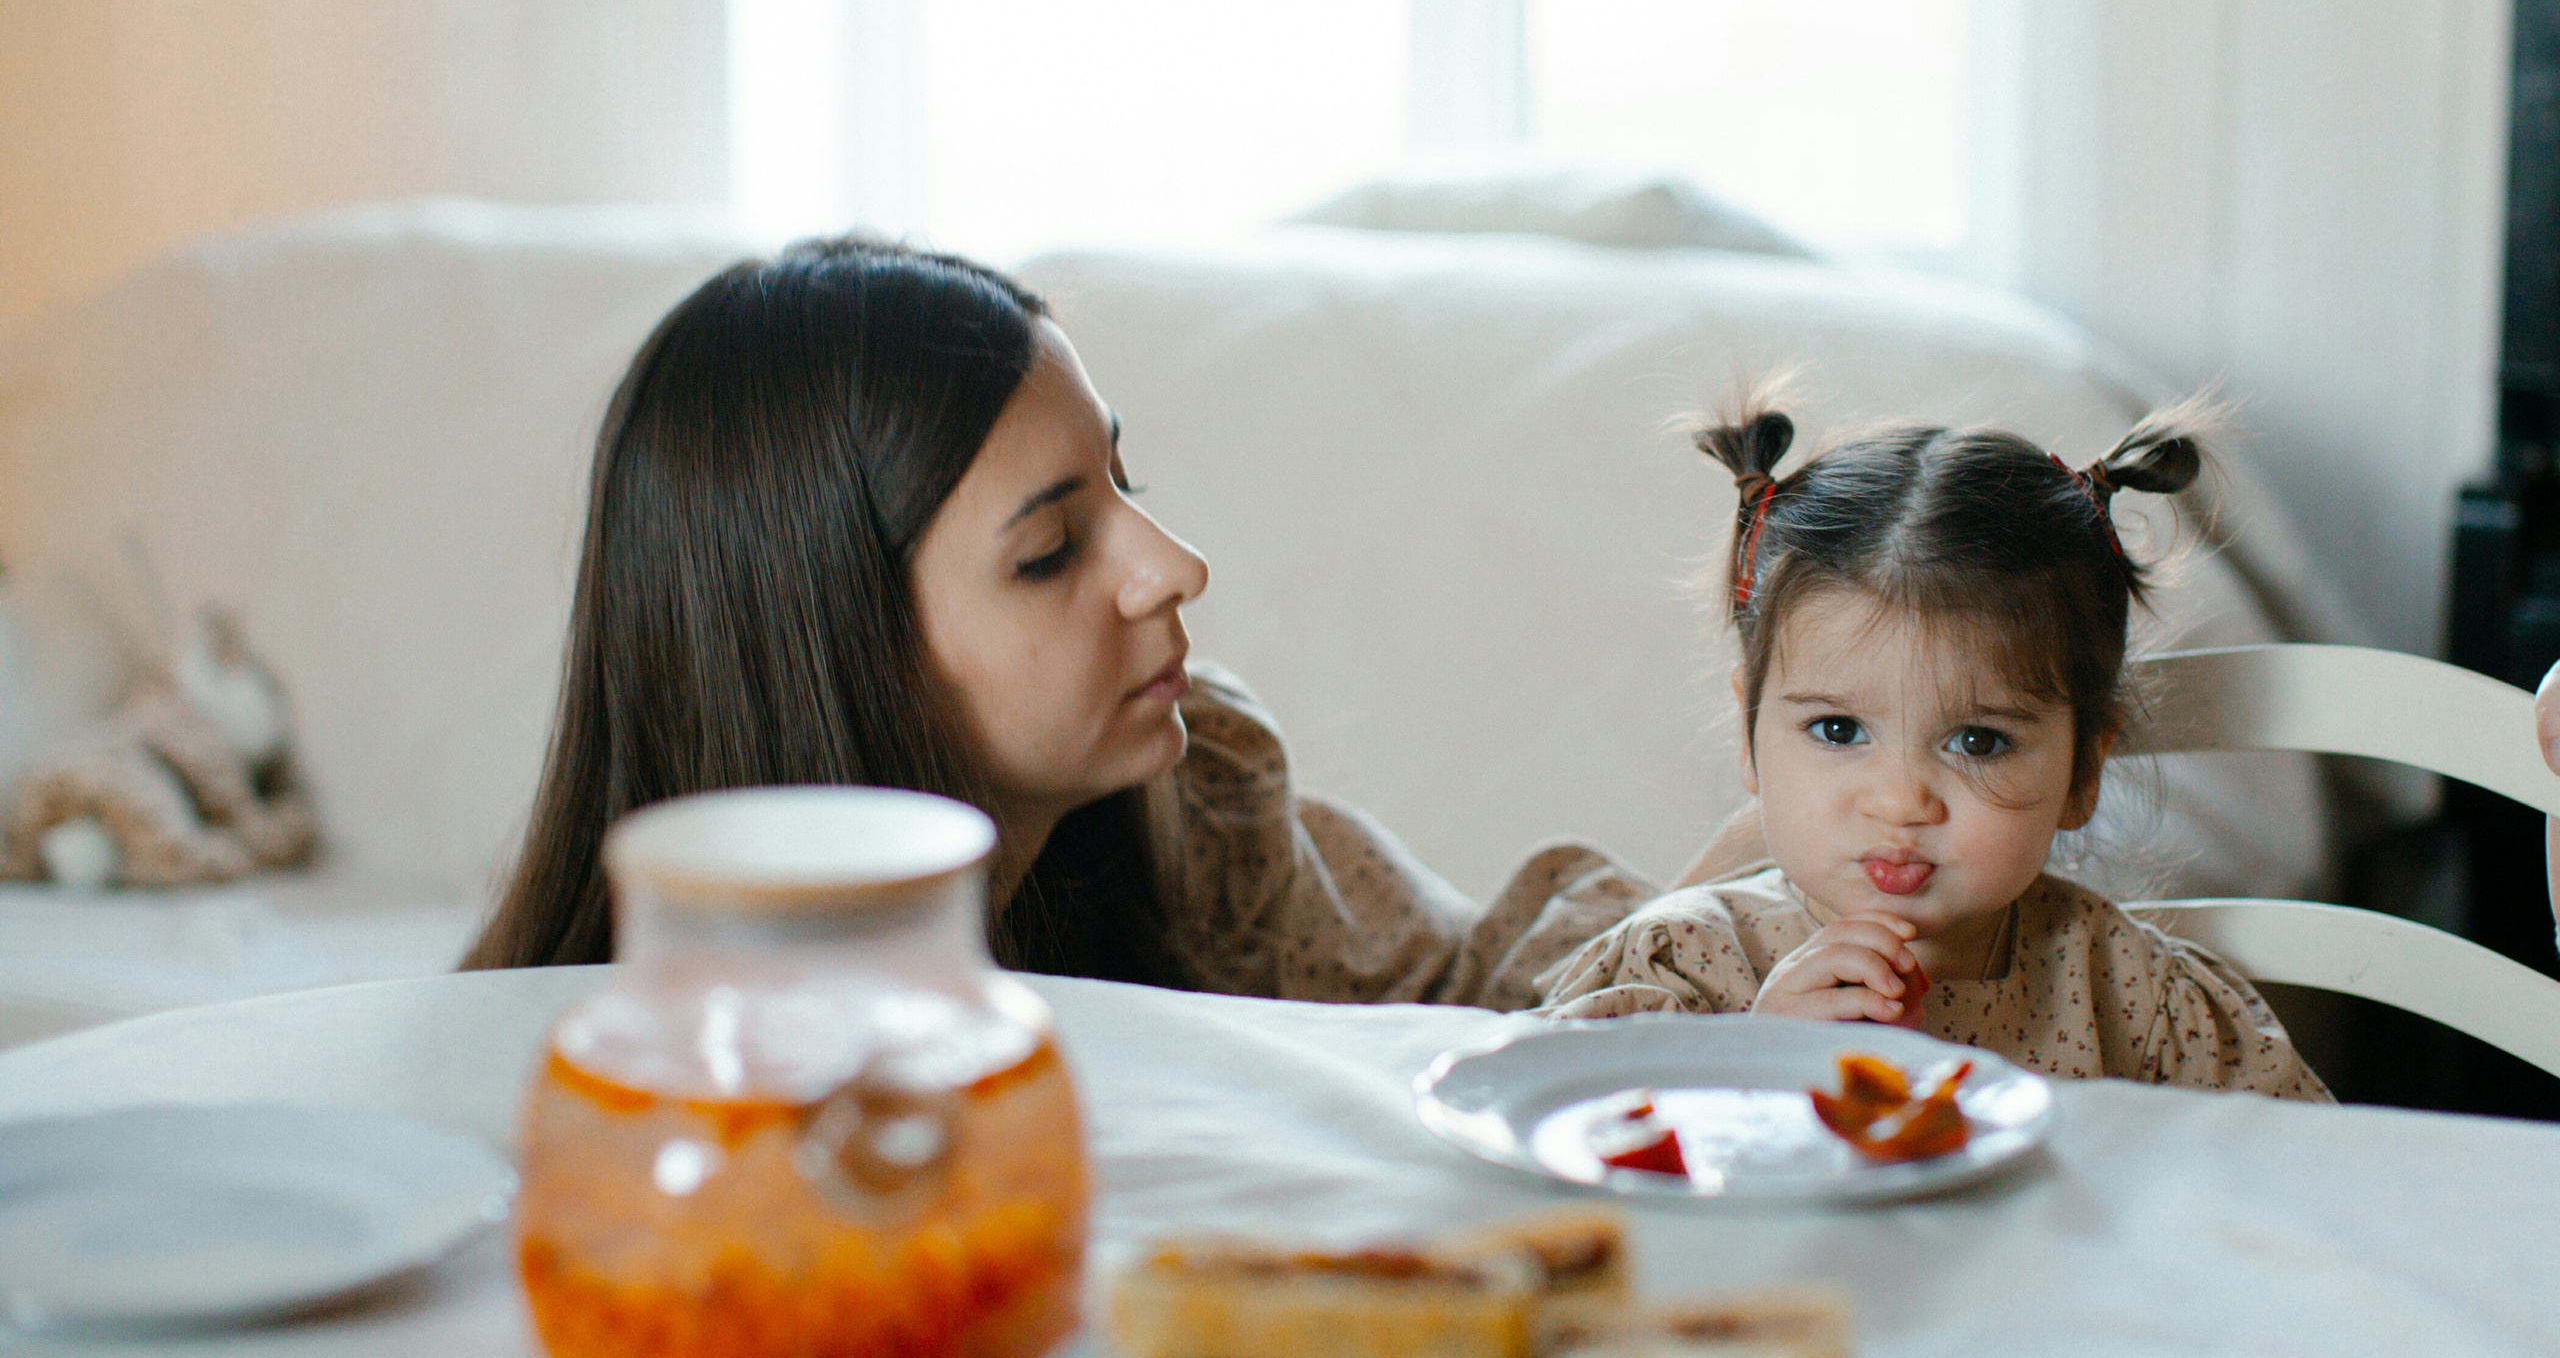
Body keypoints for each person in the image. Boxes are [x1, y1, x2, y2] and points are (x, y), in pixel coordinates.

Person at [463, 235, 1645, 1002]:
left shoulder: (1198, 800)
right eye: (1047, 550)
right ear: (827, 652)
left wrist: (1746, 881)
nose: (1173, 568)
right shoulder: (608, 1063)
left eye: (1125, 484)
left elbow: (1467, 985)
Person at [1534, 392, 2331, 1100]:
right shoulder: (1677, 973)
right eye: (1838, 730)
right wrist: (1750, 1066)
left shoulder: (2135, 1000)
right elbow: (1545, 1189)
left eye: (1978, 741)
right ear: (1750, 734)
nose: (1901, 801)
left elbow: (2297, 1190)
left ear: (2084, 771)